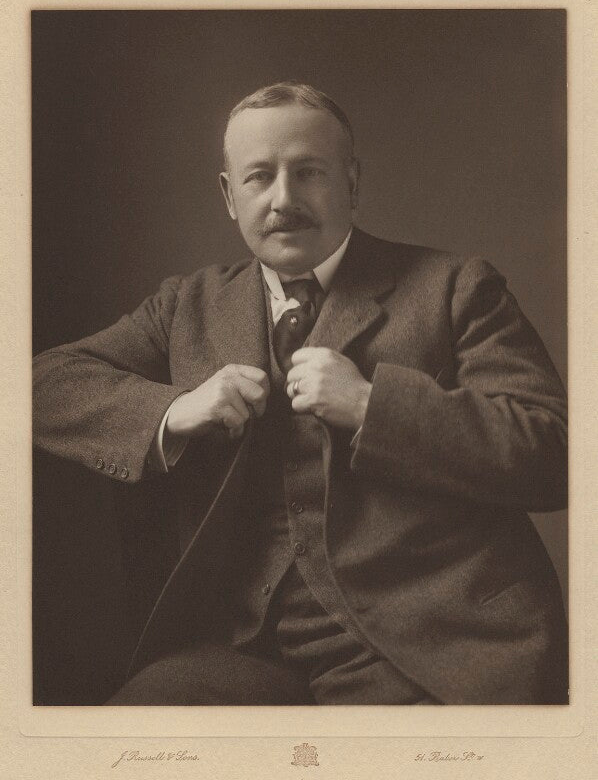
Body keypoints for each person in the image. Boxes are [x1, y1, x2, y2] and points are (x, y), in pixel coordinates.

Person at [33, 82, 568, 705]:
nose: (283, 200)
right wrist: (175, 411)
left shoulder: (455, 288)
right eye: (259, 177)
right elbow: (41, 384)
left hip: (427, 645)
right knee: (132, 729)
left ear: (352, 183)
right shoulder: (187, 304)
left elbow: (554, 454)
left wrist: (372, 406)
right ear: (229, 196)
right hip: (246, 646)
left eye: (309, 173)